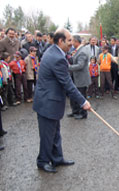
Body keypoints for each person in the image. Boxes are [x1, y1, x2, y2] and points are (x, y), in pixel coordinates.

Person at [33, 28, 91, 173]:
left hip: (51, 101)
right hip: (48, 102)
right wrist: (83, 102)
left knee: (55, 133)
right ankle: (43, 161)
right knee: (47, 135)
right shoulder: (57, 57)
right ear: (61, 41)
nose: (72, 43)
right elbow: (67, 84)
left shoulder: (55, 51)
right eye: (69, 40)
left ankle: (57, 159)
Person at [67, 35, 91, 120]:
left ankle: (83, 113)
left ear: (76, 42)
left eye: (72, 41)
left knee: (81, 96)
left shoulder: (82, 51)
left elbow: (80, 65)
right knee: (73, 95)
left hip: (81, 79)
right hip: (75, 78)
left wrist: (68, 67)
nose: (71, 43)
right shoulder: (77, 50)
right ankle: (75, 111)